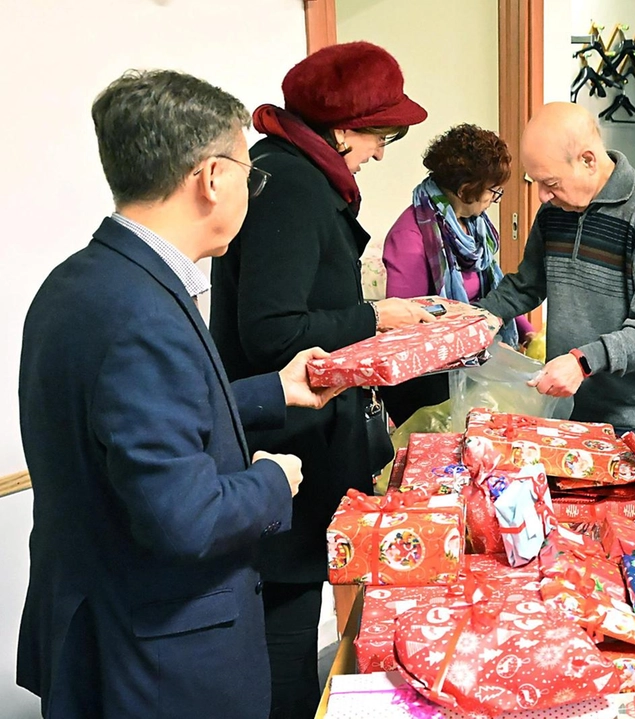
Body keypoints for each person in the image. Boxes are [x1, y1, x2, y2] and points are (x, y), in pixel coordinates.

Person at [17, 70, 341, 718]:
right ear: (212, 177)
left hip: (103, 620)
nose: (252, 189)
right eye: (250, 171)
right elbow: (183, 515)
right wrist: (272, 481)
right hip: (160, 658)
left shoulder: (80, 281)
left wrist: (273, 391)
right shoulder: (143, 313)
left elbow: (130, 428)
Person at [208, 41, 430, 719]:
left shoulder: (285, 171)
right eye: (381, 136)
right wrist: (375, 315)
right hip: (289, 438)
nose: (381, 153)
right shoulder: (293, 187)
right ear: (343, 127)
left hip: (296, 434)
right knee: (287, 620)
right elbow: (274, 331)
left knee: (295, 613)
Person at [475, 102, 635, 433]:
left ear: (588, 160)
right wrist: (480, 316)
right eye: (536, 182)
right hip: (570, 406)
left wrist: (582, 362)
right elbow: (527, 285)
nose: (542, 196)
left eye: (550, 182)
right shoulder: (554, 211)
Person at [373, 123, 534, 424]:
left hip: (472, 360)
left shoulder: (474, 226)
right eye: (493, 192)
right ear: (465, 190)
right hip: (430, 377)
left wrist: (525, 328)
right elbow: (410, 325)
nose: (493, 200)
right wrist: (471, 332)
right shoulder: (410, 236)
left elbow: (491, 282)